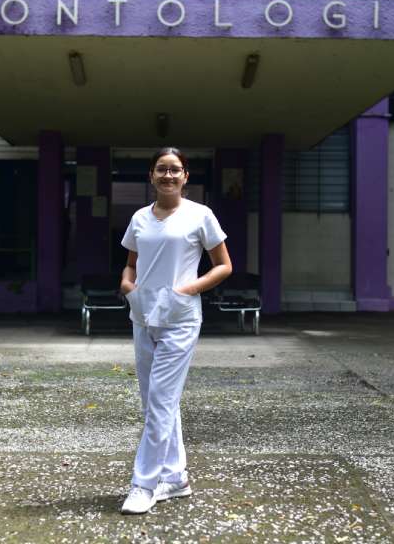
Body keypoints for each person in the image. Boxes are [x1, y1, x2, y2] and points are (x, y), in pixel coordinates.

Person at [118, 147, 233, 515]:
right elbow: (131, 265)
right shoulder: (139, 218)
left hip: (180, 318)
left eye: (175, 170)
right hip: (143, 315)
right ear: (151, 176)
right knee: (156, 400)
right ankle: (176, 477)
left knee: (160, 403)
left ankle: (144, 484)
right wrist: (127, 287)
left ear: (186, 176)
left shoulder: (201, 215)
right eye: (161, 170)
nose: (168, 176)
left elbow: (223, 266)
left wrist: (187, 289)